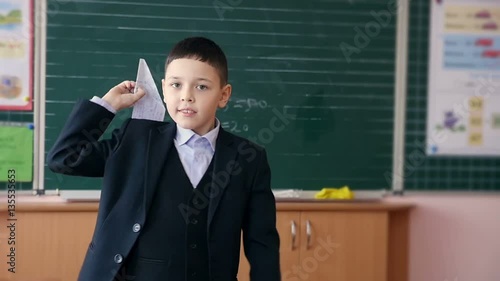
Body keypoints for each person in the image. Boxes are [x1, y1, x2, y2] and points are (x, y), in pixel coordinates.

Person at [46, 37, 281, 281]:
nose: (186, 96)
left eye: (201, 87)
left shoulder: (248, 158)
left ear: (224, 95)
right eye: (176, 85)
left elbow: (262, 244)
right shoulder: (135, 140)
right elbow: (64, 157)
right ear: (164, 89)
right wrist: (108, 105)